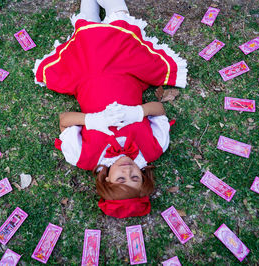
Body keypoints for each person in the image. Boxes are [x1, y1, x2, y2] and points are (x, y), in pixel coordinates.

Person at [33, 0, 187, 218]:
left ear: (106, 180)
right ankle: (113, 11)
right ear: (144, 177)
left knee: (86, 27)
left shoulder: (83, 157)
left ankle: (89, 11)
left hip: (86, 76)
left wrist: (93, 120)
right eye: (135, 178)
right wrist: (138, 112)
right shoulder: (153, 149)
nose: (127, 171)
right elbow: (159, 109)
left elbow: (64, 119)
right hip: (127, 70)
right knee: (118, 15)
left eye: (121, 179)